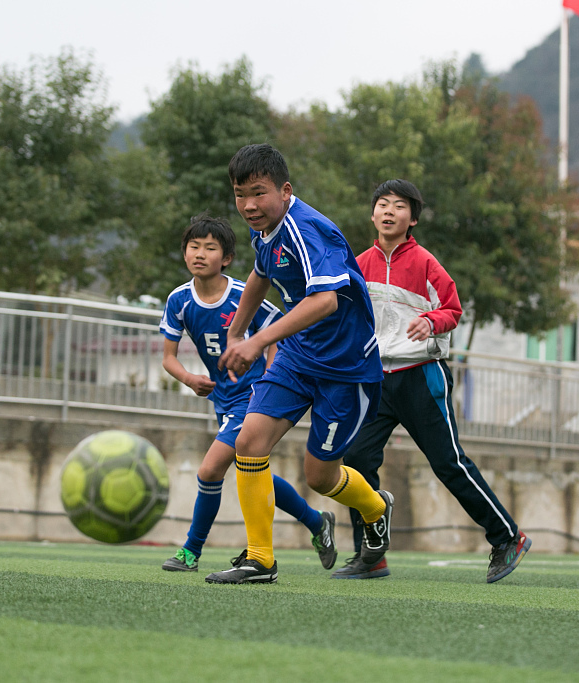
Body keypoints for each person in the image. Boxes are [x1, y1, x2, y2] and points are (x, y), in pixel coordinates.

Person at [204, 143, 390, 584]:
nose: (248, 205)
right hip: (297, 357)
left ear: (285, 190)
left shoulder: (308, 231)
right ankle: (260, 559)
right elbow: (261, 274)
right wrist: (236, 331)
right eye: (239, 194)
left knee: (319, 478)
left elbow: (324, 300)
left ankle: (376, 508)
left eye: (258, 192)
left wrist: (259, 340)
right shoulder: (265, 229)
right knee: (249, 441)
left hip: (346, 371)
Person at [333, 179, 531, 583]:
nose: (390, 211)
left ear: (413, 219)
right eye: (383, 204)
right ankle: (371, 556)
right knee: (355, 462)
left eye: (400, 206)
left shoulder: (425, 262)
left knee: (449, 463)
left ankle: (508, 537)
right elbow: (346, 316)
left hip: (422, 375)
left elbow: (452, 309)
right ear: (372, 215)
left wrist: (429, 321)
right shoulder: (358, 264)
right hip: (374, 378)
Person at [158, 212, 337, 573]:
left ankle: (191, 551)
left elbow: (277, 335)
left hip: (253, 396)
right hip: (222, 399)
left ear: (225, 258)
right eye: (194, 247)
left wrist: (270, 381)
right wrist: (190, 379)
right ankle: (317, 522)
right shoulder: (179, 300)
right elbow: (167, 358)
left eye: (210, 248)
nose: (200, 254)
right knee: (249, 469)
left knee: (209, 471)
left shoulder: (243, 294)